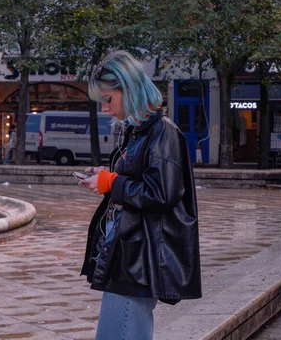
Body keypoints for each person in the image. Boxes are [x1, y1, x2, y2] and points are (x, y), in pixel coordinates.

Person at [79, 51, 202, 340]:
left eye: (108, 99)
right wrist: (106, 179)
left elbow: (161, 194)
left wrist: (110, 183)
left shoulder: (162, 132)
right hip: (130, 259)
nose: (106, 109)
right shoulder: (140, 132)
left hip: (137, 264)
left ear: (129, 88)